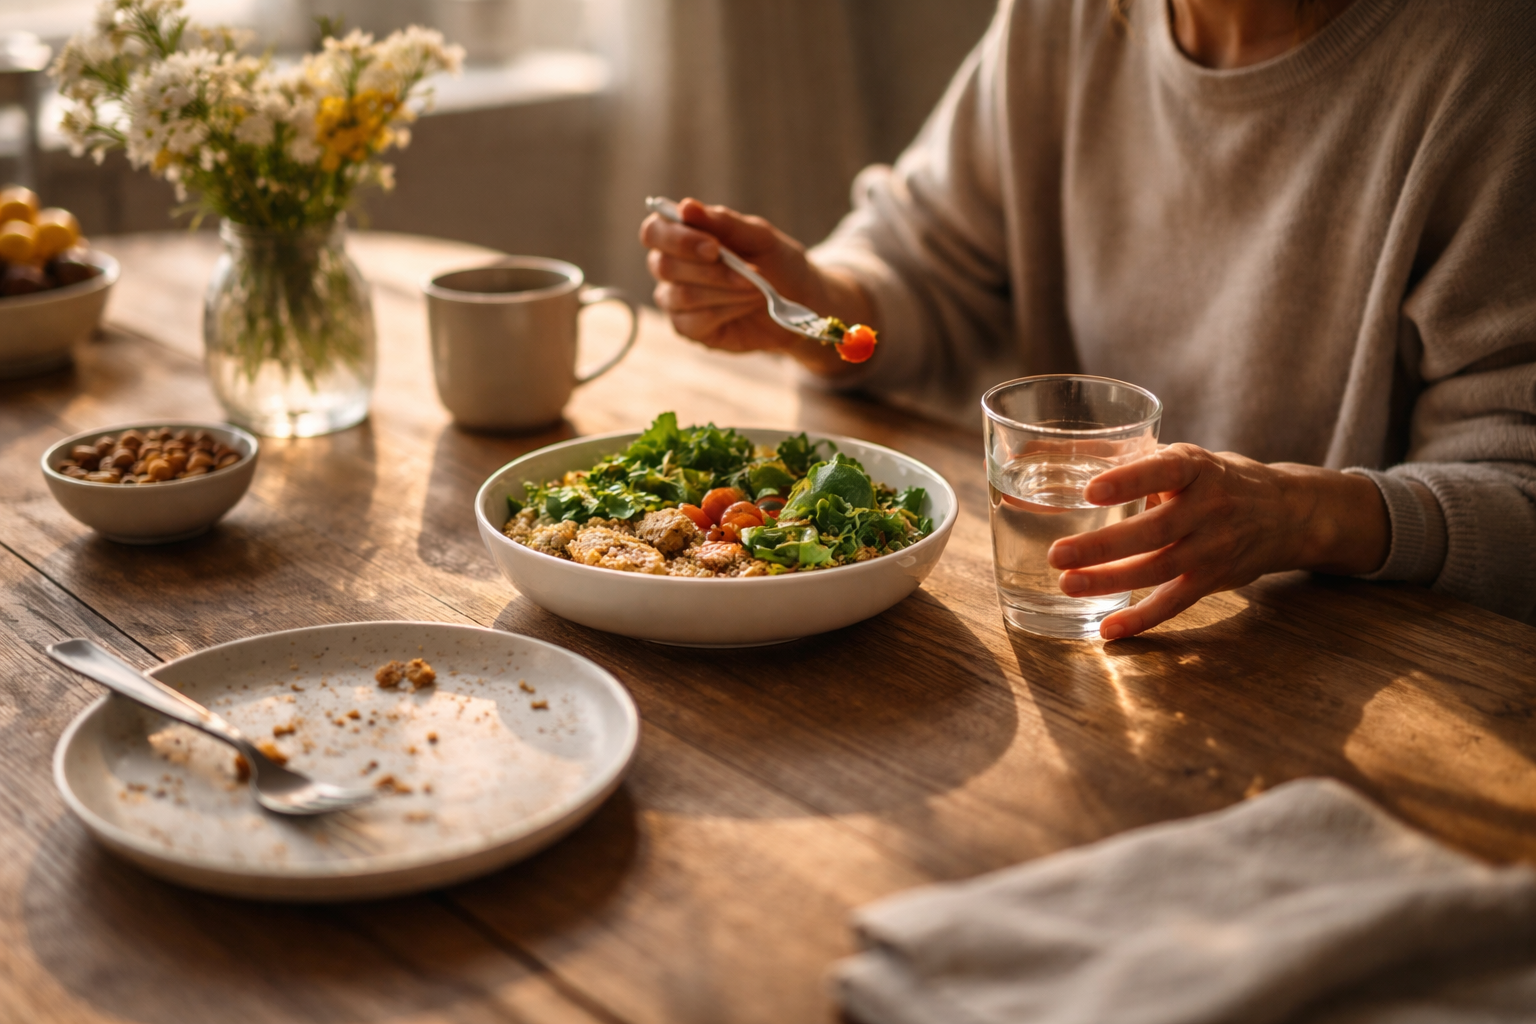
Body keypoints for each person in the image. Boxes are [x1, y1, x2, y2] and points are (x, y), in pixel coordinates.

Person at [639, 0, 1536, 638]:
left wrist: (1299, 513)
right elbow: (925, 257)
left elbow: (1517, 486)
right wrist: (814, 304)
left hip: (1358, 665)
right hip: (1069, 653)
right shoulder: (1063, 16)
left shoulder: (1489, 57)